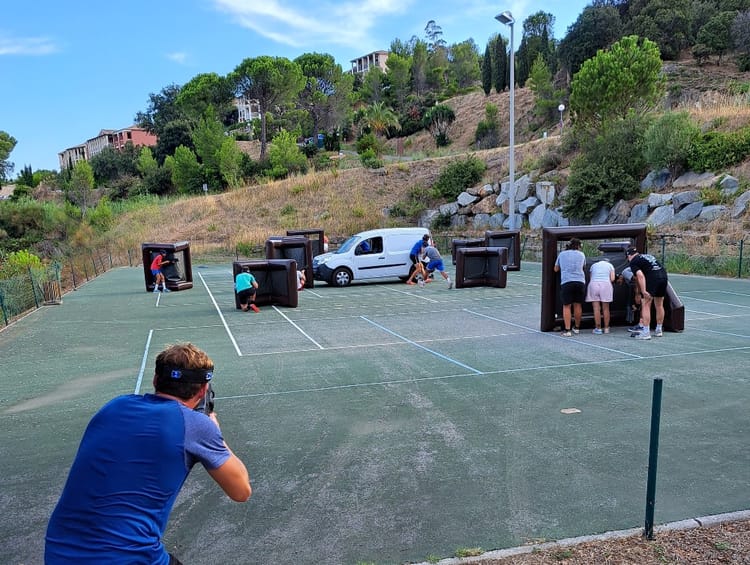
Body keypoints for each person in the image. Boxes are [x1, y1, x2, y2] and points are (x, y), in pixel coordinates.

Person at [45, 343, 252, 564]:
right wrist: (215, 432)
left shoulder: (113, 406)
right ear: (202, 391)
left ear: (155, 380)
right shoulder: (195, 425)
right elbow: (241, 491)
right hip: (126, 558)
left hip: (58, 552)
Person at [626, 246, 668, 340]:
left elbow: (640, 275)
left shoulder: (634, 261)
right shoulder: (648, 256)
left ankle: (646, 332)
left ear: (629, 256)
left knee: (646, 304)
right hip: (663, 277)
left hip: (652, 278)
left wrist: (643, 290)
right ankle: (658, 330)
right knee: (659, 304)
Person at [554, 237, 586, 336]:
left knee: (567, 306)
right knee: (578, 304)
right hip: (580, 281)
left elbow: (556, 269)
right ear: (579, 246)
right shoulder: (581, 254)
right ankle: (576, 327)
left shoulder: (562, 254)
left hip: (567, 281)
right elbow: (583, 267)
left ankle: (567, 330)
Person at [585, 258, 615, 334]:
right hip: (606, 285)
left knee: (596, 308)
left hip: (594, 284)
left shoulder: (593, 266)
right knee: (606, 308)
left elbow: (591, 277)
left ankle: (598, 328)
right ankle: (606, 328)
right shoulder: (610, 265)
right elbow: (612, 279)